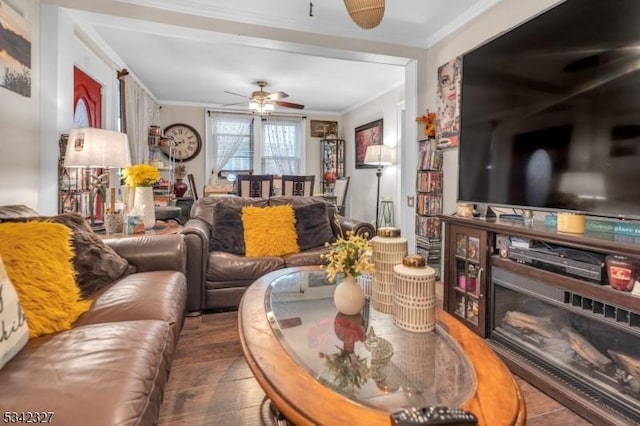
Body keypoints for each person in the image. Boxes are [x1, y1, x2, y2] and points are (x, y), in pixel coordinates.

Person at [437, 57, 462, 144]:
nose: (452, 86)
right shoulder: (441, 124)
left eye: (456, 78)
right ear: (440, 90)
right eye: (445, 81)